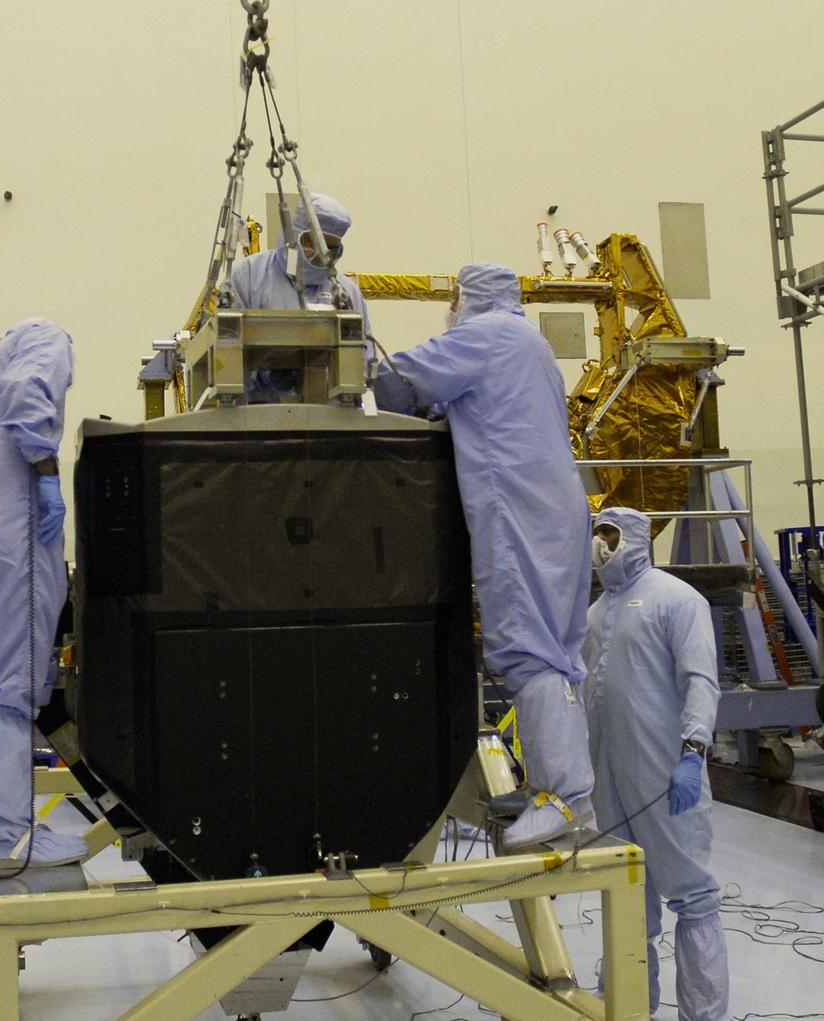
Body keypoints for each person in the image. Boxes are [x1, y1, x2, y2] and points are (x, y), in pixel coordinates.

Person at [374, 262, 595, 849]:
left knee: (527, 647)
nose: (450, 310)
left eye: (452, 300)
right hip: (556, 507)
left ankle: (564, 799)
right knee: (560, 653)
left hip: (520, 508)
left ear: (468, 298)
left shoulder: (486, 335)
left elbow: (398, 381)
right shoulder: (530, 341)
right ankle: (564, 791)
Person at [0, 318, 88, 870]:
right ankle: (5, 836)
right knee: (13, 676)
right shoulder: (50, 337)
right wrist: (47, 473)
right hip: (14, 523)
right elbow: (30, 396)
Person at [584, 506, 728, 1020]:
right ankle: (628, 1008)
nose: (601, 543)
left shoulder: (677, 599)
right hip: (609, 780)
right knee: (625, 899)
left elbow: (701, 681)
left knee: (691, 895)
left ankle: (705, 1015)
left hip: (666, 775)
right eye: (597, 533)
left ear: (637, 537)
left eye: (611, 533)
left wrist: (693, 751)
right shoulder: (596, 614)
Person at [227, 192, 373, 403]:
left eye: (330, 249)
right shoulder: (249, 277)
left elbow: (364, 364)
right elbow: (227, 352)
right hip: (258, 421)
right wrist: (264, 377)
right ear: (294, 232)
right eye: (313, 242)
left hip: (330, 423)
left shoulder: (347, 294)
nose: (319, 254)